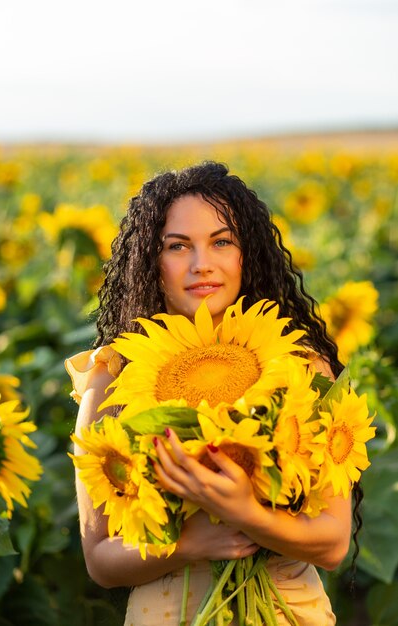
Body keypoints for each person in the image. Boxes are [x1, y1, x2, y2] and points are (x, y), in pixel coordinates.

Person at [66, 161, 353, 625]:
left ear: (248, 254)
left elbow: (334, 543)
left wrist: (247, 516)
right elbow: (99, 559)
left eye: (222, 241)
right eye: (178, 246)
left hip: (287, 612)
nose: (203, 264)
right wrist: (188, 544)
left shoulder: (300, 364)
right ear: (151, 262)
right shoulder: (114, 378)